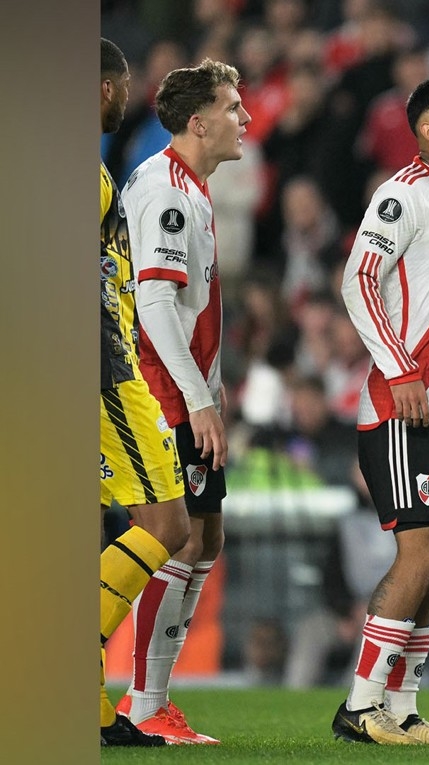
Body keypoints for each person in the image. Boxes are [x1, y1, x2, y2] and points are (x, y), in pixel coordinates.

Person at [331, 73, 429, 746]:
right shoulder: (403, 194)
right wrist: (400, 368)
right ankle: (363, 703)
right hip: (406, 405)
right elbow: (357, 278)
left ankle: (403, 703)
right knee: (421, 551)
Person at [117, 56, 253, 746]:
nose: (246, 118)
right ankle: (144, 703)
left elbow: (192, 308)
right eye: (233, 108)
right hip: (161, 389)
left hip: (186, 387)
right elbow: (156, 300)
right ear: (198, 122)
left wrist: (214, 389)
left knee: (207, 537)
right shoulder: (167, 191)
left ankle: (152, 699)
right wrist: (197, 398)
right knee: (182, 535)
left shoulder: (187, 187)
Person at [99, 37, 190, 749]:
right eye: (123, 84)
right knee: (166, 524)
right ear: (103, 88)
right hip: (101, 368)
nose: (126, 97)